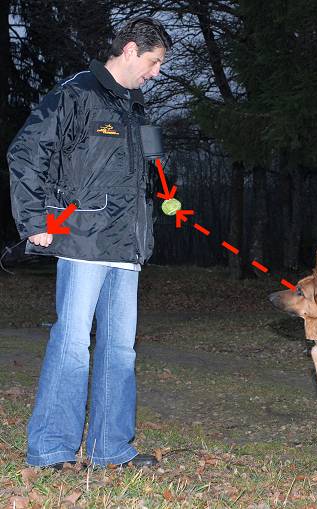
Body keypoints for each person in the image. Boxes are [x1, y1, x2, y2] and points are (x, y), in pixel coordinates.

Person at [7, 17, 172, 470]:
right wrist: (35, 220)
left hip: (128, 248)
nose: (156, 73)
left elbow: (148, 177)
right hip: (82, 238)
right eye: (154, 62)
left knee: (120, 349)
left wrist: (165, 189)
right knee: (73, 343)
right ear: (131, 50)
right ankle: (51, 448)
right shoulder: (77, 93)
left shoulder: (136, 109)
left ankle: (110, 448)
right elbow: (26, 152)